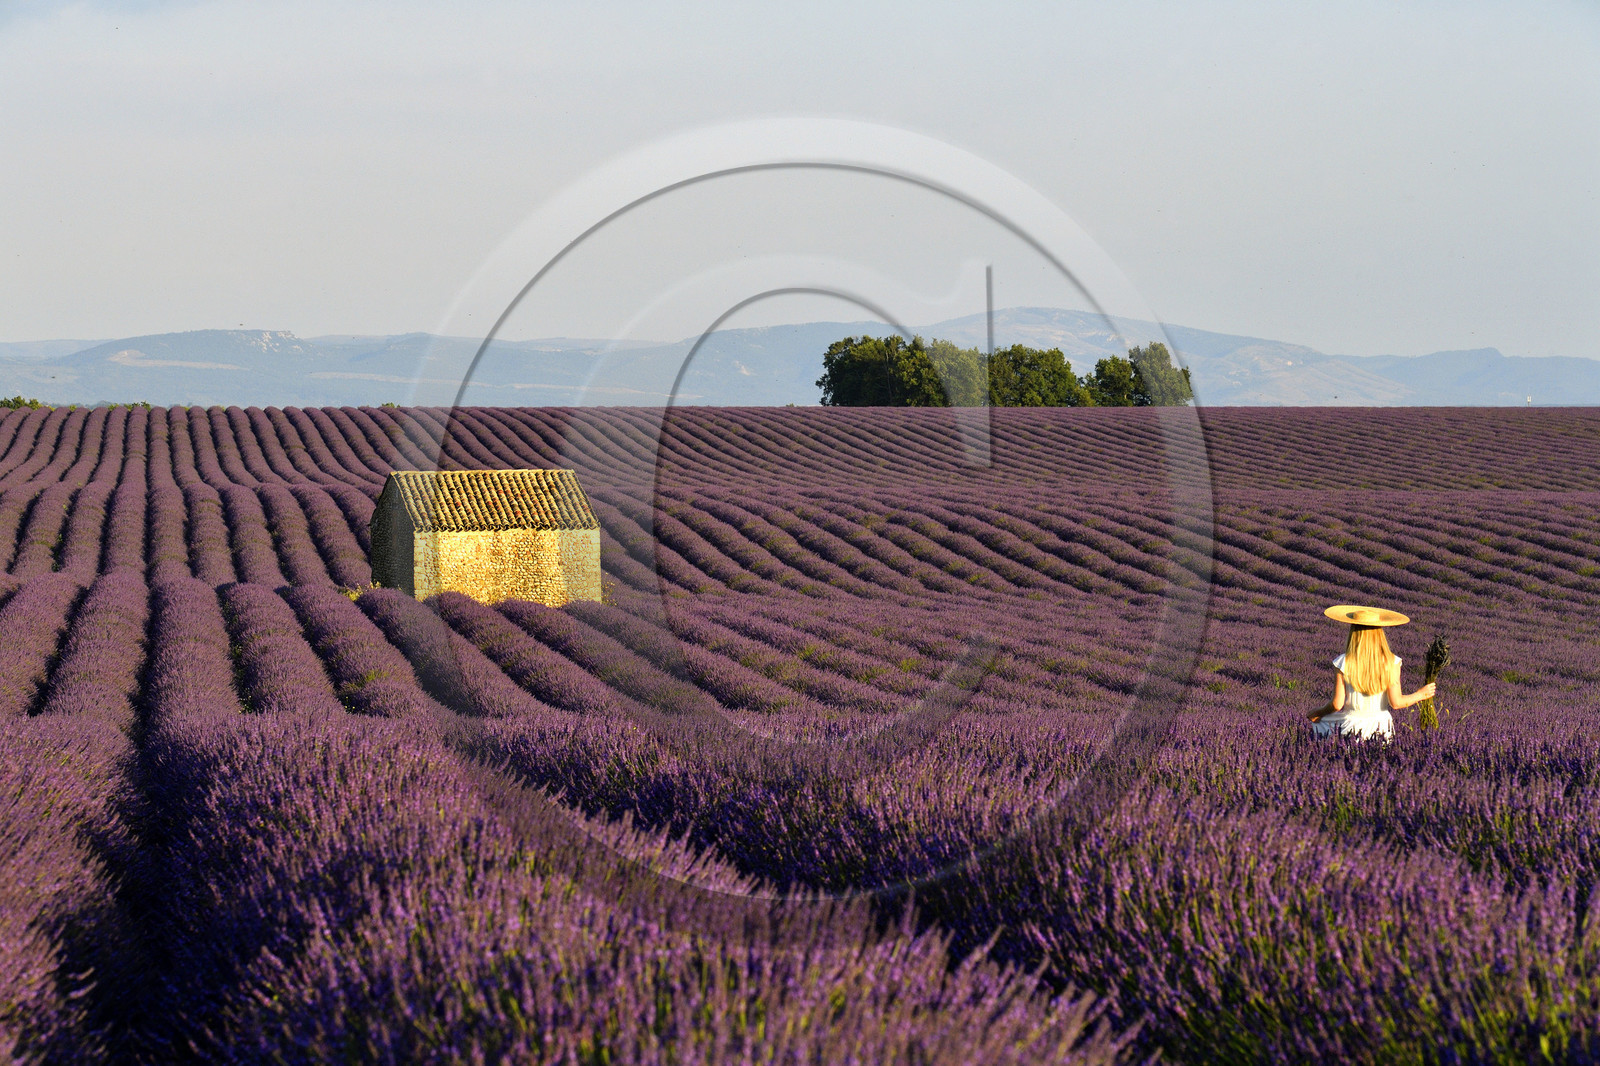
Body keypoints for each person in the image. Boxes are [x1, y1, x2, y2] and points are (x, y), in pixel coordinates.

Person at [1308, 604, 1436, 740]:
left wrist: (1317, 713)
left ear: (1354, 633)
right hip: (1382, 727)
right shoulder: (1392, 662)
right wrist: (1420, 694)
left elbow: (1336, 704)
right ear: (1379, 633)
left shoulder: (1343, 662)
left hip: (1351, 726)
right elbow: (1396, 703)